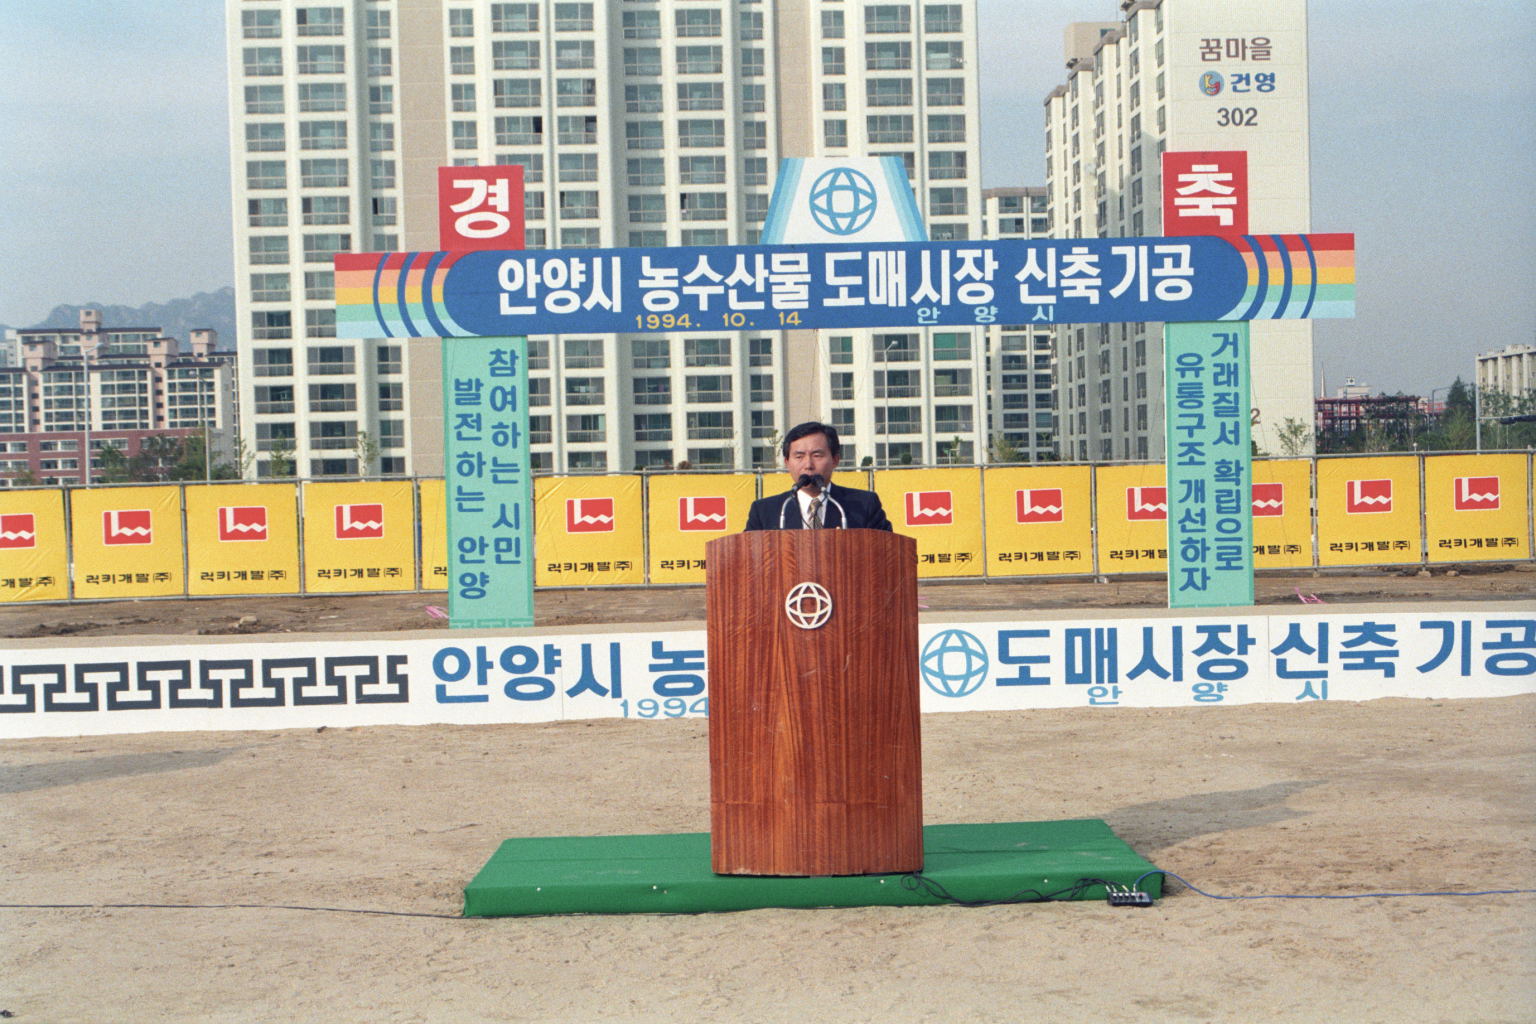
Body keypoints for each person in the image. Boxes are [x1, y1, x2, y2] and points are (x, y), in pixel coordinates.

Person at [744, 421, 893, 531]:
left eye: (817, 455)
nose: (808, 465)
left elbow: (888, 552)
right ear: (787, 462)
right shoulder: (764, 511)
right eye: (799, 456)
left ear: (835, 459)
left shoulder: (864, 505)